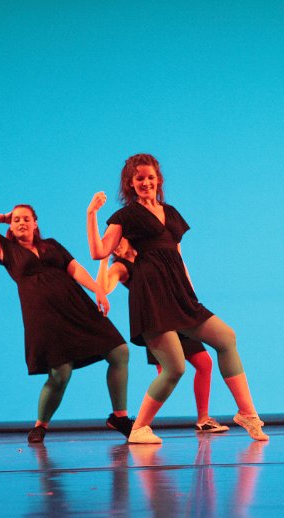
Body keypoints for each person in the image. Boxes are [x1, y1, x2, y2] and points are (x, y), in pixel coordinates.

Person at [86, 153, 267, 444]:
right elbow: (98, 251)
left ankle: (247, 413)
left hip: (179, 294)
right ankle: (139, 428)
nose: (146, 182)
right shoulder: (125, 216)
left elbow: (178, 256)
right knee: (175, 368)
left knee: (226, 338)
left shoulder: (171, 212)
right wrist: (91, 214)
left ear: (158, 179)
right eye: (139, 178)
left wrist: (190, 293)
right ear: (130, 183)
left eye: (150, 177)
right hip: (151, 297)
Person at [0, 205, 131, 443]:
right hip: (44, 316)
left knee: (119, 352)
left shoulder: (52, 245)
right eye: (17, 220)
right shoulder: (7, 250)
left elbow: (74, 268)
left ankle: (120, 417)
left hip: (76, 307)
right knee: (60, 374)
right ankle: (40, 426)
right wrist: (5, 218)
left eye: (26, 219)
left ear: (35, 223)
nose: (21, 223)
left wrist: (97, 289)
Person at [98, 237, 229, 433]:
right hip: (157, 321)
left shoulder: (149, 253)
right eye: (111, 246)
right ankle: (138, 425)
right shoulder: (121, 267)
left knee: (204, 363)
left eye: (117, 240)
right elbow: (105, 288)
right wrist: (103, 259)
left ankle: (203, 419)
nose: (115, 247)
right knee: (168, 375)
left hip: (176, 314)